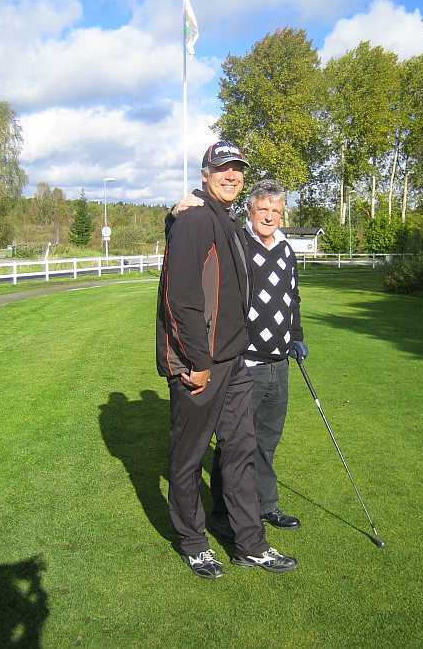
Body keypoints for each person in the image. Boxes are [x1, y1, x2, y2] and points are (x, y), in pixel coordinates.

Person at [156, 140, 298, 579]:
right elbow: (179, 299)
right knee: (189, 457)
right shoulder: (196, 219)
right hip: (201, 364)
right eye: (222, 168)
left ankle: (249, 544)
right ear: (205, 174)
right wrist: (197, 361)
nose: (231, 175)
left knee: (240, 453)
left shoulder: (227, 220)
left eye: (237, 168)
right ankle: (194, 544)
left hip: (235, 362)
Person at [173, 178, 308, 537]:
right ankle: (223, 512)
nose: (269, 216)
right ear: (249, 210)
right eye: (262, 209)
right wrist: (173, 215)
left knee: (266, 440)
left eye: (276, 211)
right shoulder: (239, 243)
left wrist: (296, 336)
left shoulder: (286, 250)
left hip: (279, 362)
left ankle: (266, 504)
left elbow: (292, 298)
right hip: (246, 362)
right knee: (235, 444)